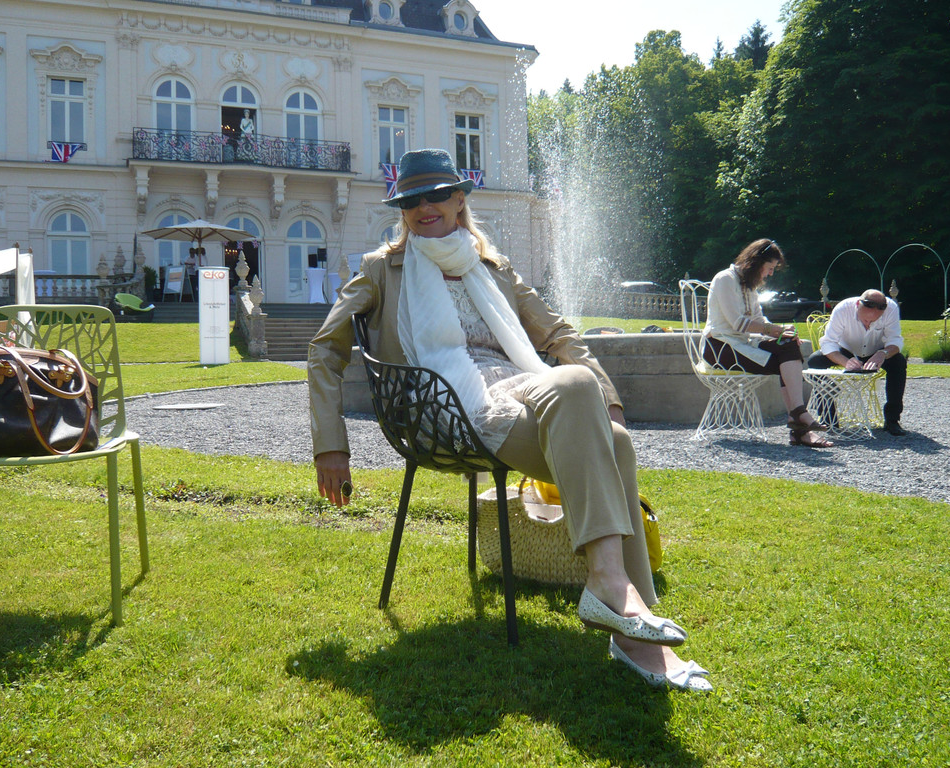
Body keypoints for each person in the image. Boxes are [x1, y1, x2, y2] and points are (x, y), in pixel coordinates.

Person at [307, 148, 711, 691]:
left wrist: (609, 397)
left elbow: (557, 333)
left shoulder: (494, 268)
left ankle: (612, 591)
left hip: (517, 384)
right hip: (443, 406)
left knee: (585, 392)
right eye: (411, 200)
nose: (424, 207)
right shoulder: (382, 268)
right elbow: (324, 349)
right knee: (612, 441)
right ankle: (631, 625)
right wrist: (331, 445)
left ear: (459, 199)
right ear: (401, 210)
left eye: (437, 195)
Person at [704, 239, 833, 447]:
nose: (771, 274)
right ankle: (799, 422)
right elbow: (738, 323)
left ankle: (798, 417)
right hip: (719, 348)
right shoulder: (725, 279)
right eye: (770, 268)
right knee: (786, 361)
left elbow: (759, 320)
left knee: (789, 346)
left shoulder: (749, 286)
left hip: (740, 345)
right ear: (756, 262)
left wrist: (782, 333)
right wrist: (774, 331)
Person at [805, 290, 907, 435]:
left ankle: (892, 420)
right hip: (846, 350)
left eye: (873, 321)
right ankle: (828, 418)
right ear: (858, 304)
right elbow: (828, 343)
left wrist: (882, 354)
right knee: (815, 360)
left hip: (877, 351)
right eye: (865, 320)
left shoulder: (891, 308)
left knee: (899, 362)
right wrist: (845, 362)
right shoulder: (842, 308)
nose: (868, 324)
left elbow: (895, 340)